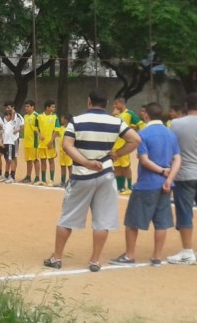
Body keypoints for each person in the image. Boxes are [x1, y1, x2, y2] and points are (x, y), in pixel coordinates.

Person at [43, 90, 141, 272]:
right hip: (105, 174)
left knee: (67, 218)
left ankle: (56, 257)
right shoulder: (116, 121)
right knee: (102, 220)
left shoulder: (77, 121)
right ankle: (95, 260)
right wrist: (117, 154)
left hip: (82, 175)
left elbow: (67, 146)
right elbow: (135, 139)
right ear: (106, 103)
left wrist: (86, 162)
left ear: (89, 102)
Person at [109, 102, 180, 266]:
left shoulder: (144, 134)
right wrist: (168, 178)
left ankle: (130, 255)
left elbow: (144, 160)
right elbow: (177, 159)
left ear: (146, 114)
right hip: (165, 184)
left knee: (133, 221)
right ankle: (156, 257)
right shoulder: (170, 134)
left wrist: (162, 171)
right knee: (161, 222)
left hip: (147, 183)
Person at [112, 97, 145, 195]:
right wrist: (113, 116)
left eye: (116, 104)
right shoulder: (115, 115)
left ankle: (129, 187)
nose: (114, 106)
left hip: (124, 144)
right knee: (117, 166)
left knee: (126, 166)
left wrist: (135, 129)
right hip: (115, 144)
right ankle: (120, 187)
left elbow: (141, 124)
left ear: (121, 103)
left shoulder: (129, 113)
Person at [37, 100, 60, 186]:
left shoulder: (55, 117)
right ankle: (43, 179)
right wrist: (39, 135)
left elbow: (56, 130)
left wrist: (51, 141)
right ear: (47, 107)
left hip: (50, 144)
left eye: (54, 107)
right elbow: (36, 128)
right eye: (52, 107)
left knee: (51, 161)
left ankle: (51, 180)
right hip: (42, 144)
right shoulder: (39, 117)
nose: (54, 108)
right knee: (42, 161)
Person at [22, 99, 40, 183]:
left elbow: (40, 127)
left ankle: (37, 177)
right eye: (25, 106)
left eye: (28, 106)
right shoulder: (25, 116)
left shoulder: (36, 116)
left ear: (33, 107)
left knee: (35, 159)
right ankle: (28, 176)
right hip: (27, 142)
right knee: (28, 160)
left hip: (34, 142)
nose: (26, 108)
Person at [0, 109, 20, 183]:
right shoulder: (6, 124)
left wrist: (12, 110)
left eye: (7, 115)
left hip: (11, 143)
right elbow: (3, 133)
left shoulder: (12, 123)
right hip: (6, 143)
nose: (5, 117)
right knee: (7, 160)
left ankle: (12, 176)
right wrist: (1, 142)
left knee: (11, 159)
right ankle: (6, 175)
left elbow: (14, 114)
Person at [57, 114, 74, 187]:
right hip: (62, 151)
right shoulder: (61, 128)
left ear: (66, 120)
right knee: (62, 166)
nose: (61, 119)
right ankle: (62, 181)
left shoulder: (71, 129)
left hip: (68, 151)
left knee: (69, 166)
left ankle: (70, 181)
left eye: (62, 118)